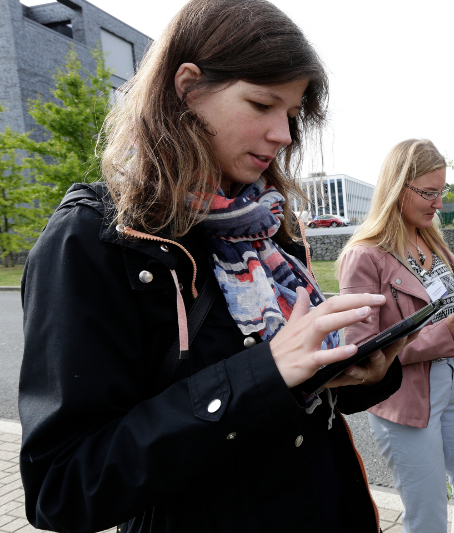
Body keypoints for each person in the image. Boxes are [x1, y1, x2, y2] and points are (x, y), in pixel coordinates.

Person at [18, 1, 409, 532]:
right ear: (188, 89)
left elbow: (290, 404)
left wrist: (362, 372)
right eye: (262, 104)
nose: (284, 134)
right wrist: (262, 374)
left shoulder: (267, 227)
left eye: (292, 114)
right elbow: (62, 487)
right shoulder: (93, 240)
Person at [336, 139, 454, 533]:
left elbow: (445, 306)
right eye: (429, 192)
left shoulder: (430, 237)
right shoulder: (363, 256)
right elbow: (360, 353)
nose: (439, 203)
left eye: (442, 191)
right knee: (428, 516)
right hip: (403, 399)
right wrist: (441, 338)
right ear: (398, 187)